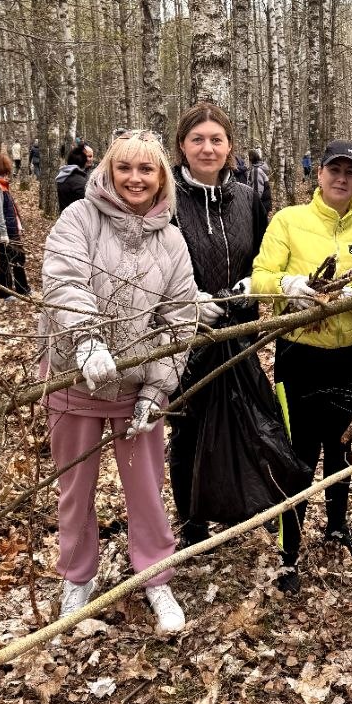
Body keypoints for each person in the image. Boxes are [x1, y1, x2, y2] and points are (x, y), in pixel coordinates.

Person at [40, 131, 203, 634]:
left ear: (161, 179)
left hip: (136, 389)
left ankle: (155, 577)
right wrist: (87, 342)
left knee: (147, 490)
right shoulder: (79, 220)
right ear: (108, 171)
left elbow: (179, 318)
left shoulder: (171, 238)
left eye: (146, 170)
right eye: (125, 168)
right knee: (75, 488)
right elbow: (64, 279)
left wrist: (157, 391)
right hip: (75, 380)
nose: (135, 178)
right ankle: (78, 578)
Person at [252, 139, 352, 594]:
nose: (341, 179)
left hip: (347, 357)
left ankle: (338, 527)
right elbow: (260, 280)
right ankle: (289, 553)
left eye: (351, 172)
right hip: (298, 355)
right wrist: (289, 285)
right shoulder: (289, 220)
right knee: (298, 453)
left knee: (341, 448)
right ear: (319, 174)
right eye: (334, 170)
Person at [169, 102, 268, 545]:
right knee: (189, 423)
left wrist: (255, 282)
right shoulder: (165, 196)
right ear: (182, 146)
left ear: (230, 147)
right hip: (184, 333)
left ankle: (240, 503)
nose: (207, 149)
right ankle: (191, 518)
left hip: (240, 328)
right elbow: (149, 262)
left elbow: (266, 254)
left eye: (216, 140)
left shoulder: (247, 197)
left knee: (243, 412)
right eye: (198, 140)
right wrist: (186, 302)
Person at [0, 152, 30, 302]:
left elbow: (10, 208)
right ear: (2, 168)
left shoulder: (1, 184)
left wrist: (19, 226)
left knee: (18, 257)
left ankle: (22, 290)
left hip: (12, 229)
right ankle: (4, 293)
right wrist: (3, 233)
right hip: (4, 231)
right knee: (6, 259)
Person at [56, 146, 89, 213]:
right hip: (77, 220)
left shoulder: (62, 177)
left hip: (64, 217)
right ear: (84, 163)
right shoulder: (81, 182)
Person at [248, 148, 273, 214]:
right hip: (264, 203)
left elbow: (257, 190)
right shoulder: (261, 167)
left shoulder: (256, 170)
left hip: (260, 205)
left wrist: (254, 205)